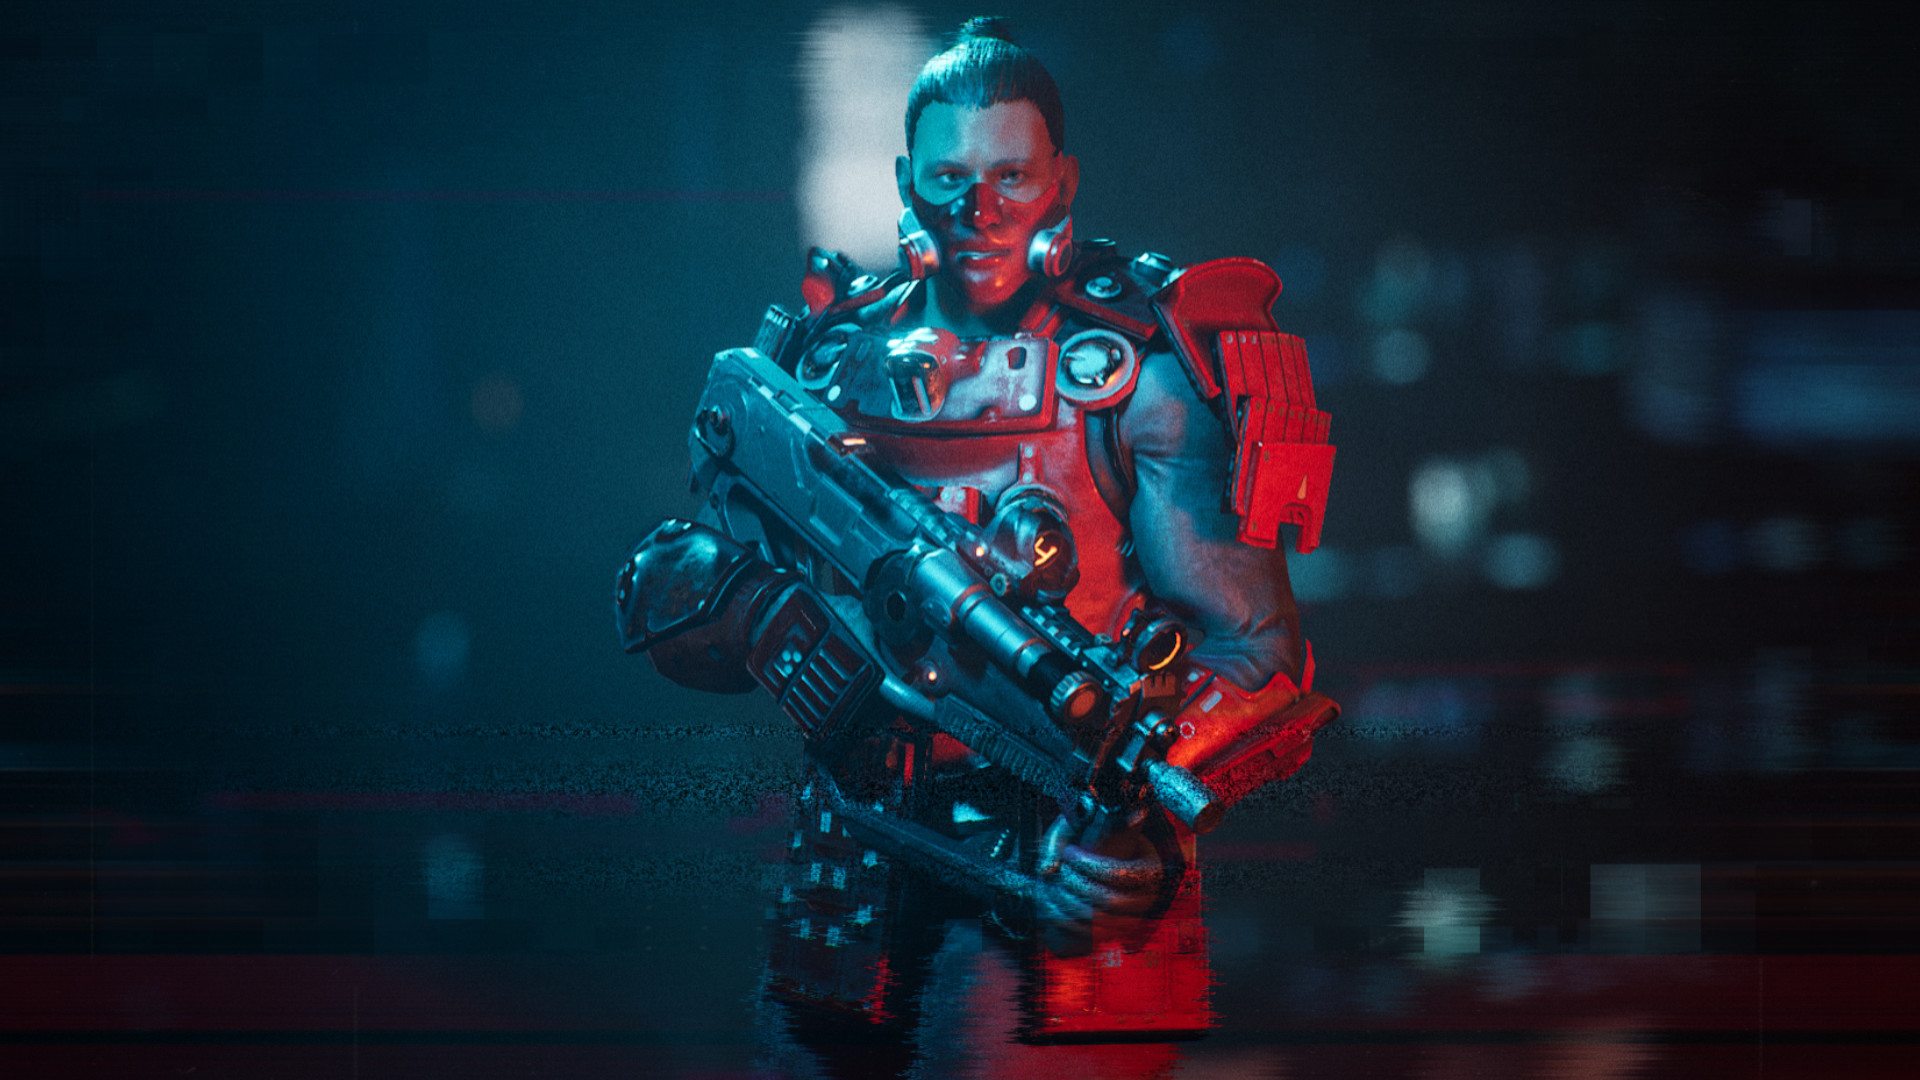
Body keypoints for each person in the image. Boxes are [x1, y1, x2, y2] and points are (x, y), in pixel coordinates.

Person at [616, 17, 1335, 1064]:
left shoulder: (1139, 372)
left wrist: (1131, 823)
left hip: (1064, 865)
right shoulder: (832, 359)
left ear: (1062, 180)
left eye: (1011, 176)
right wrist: (771, 620)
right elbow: (675, 599)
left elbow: (1258, 655)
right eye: (950, 179)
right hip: (851, 863)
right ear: (906, 183)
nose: (980, 211)